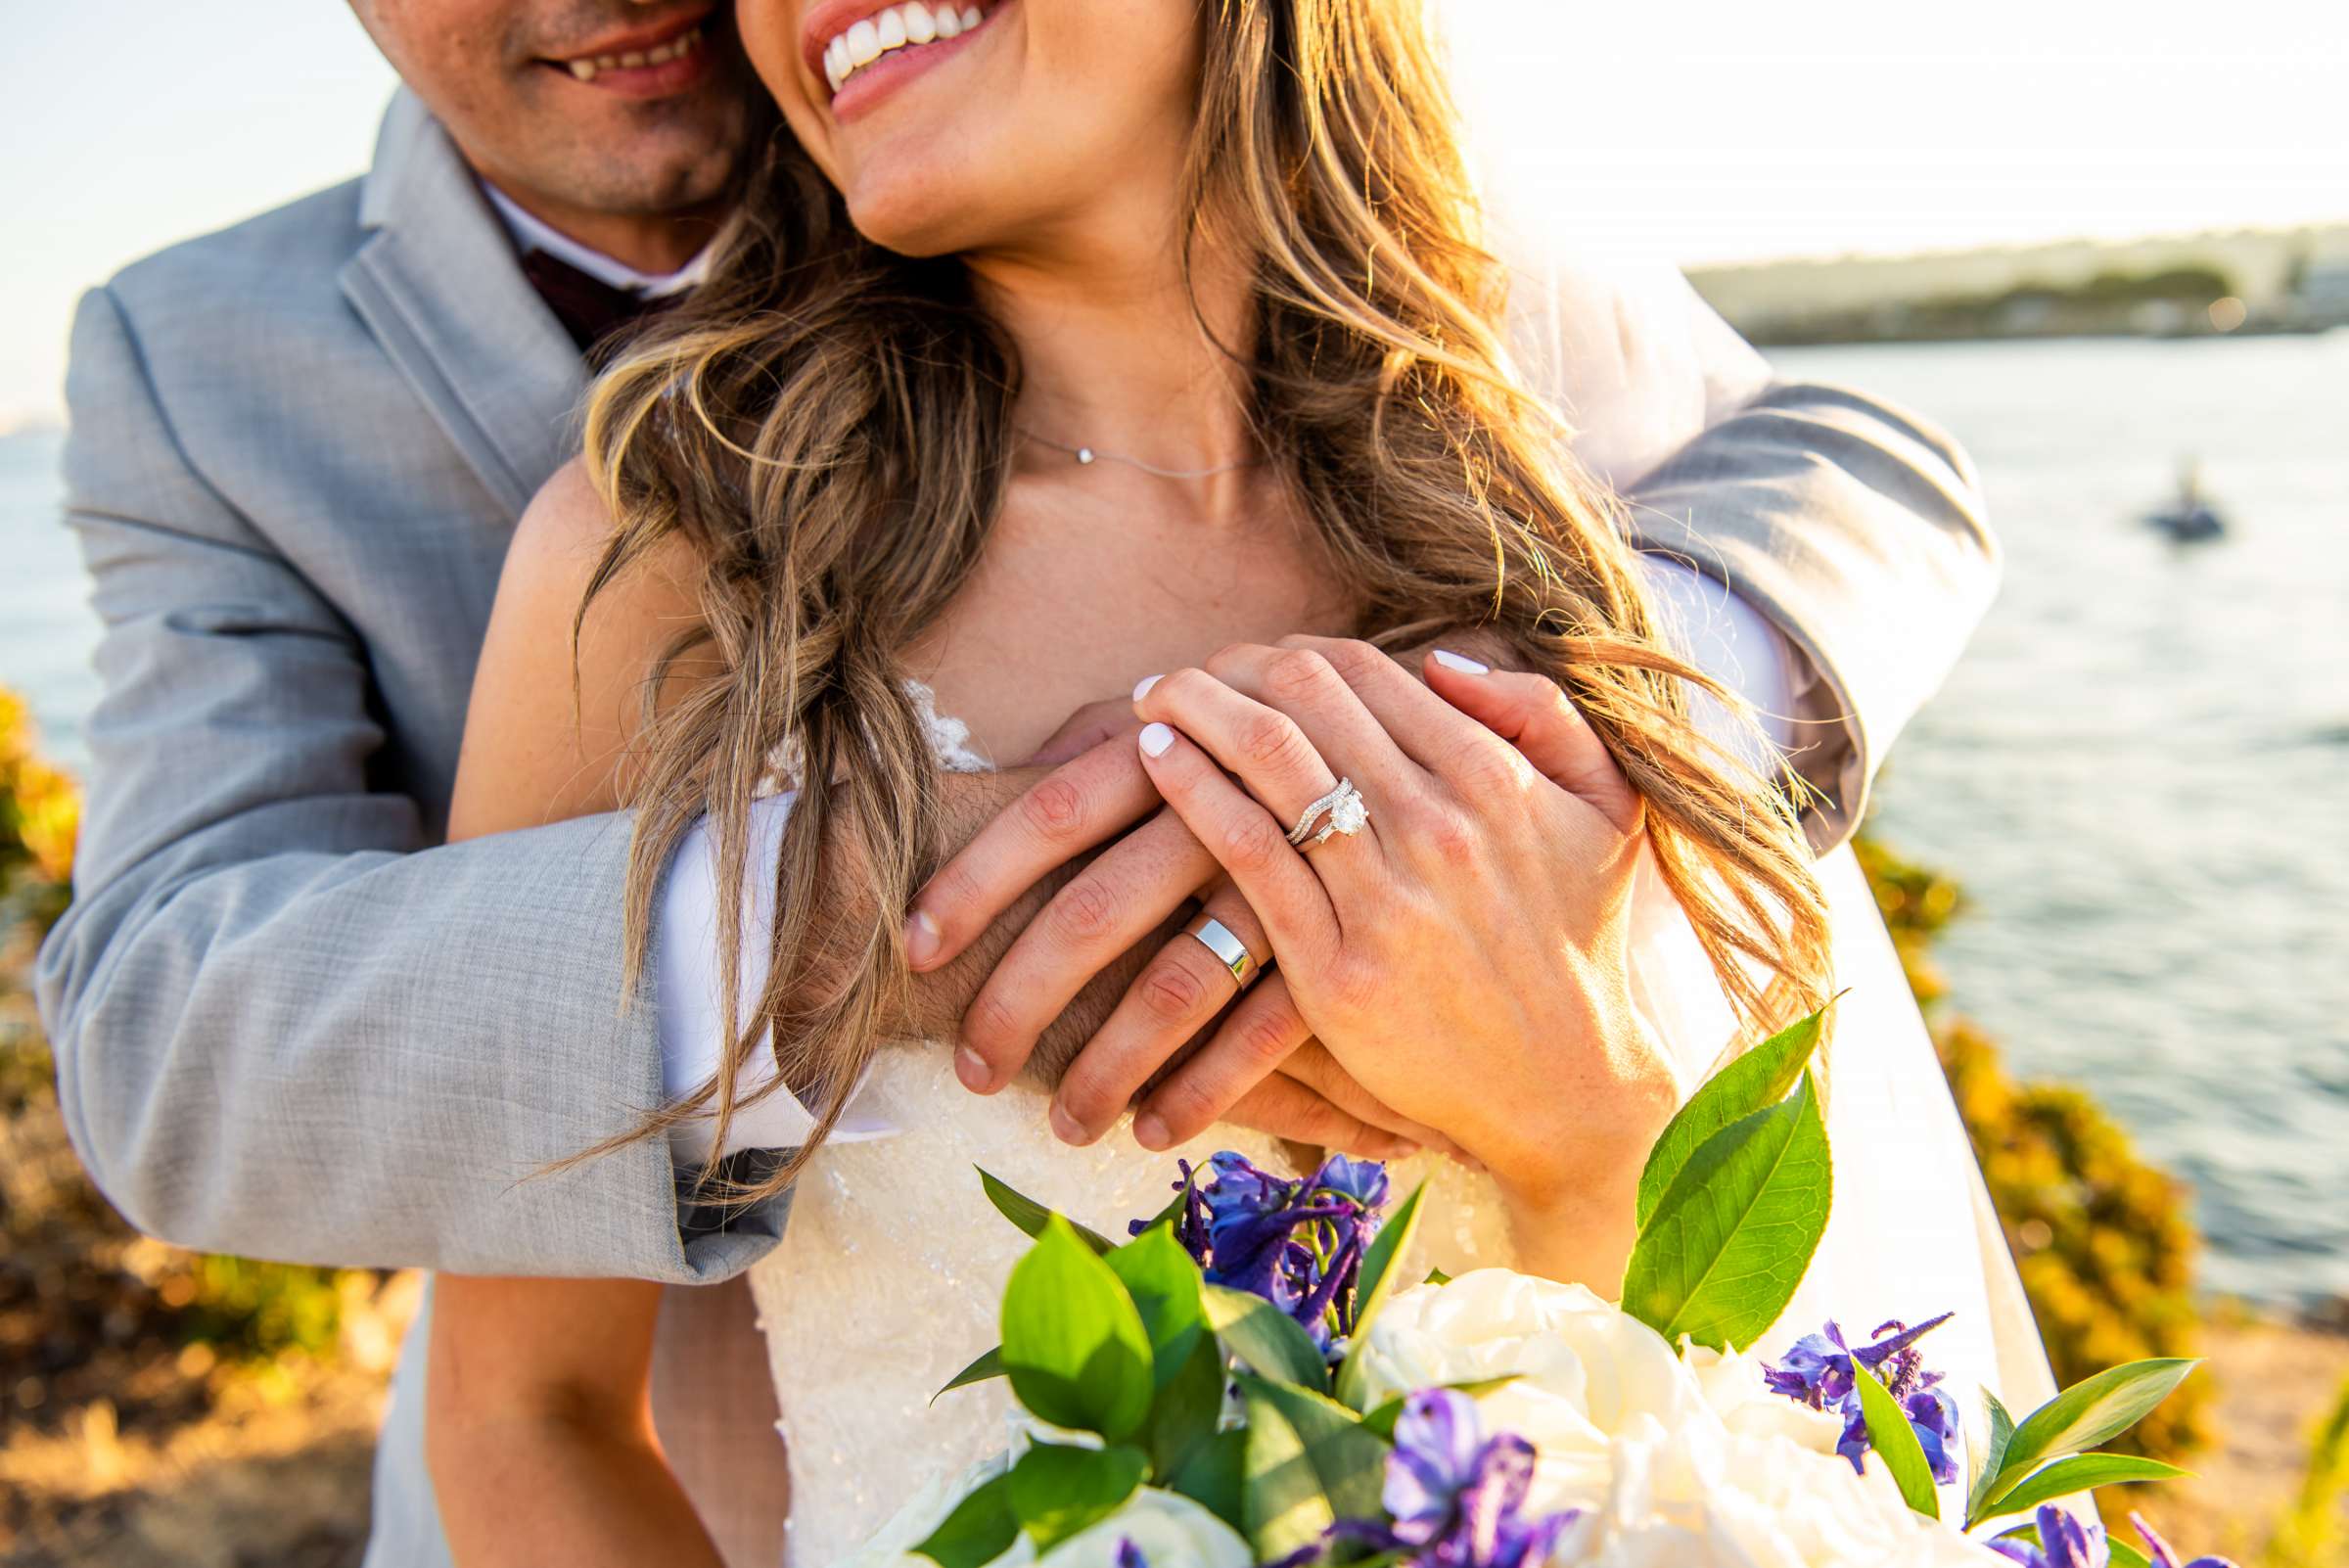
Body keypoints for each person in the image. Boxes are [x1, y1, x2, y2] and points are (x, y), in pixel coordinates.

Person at [29, 3, 2023, 1565]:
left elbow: (1863, 478)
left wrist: (1518, 781)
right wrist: (910, 899)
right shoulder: (621, 541)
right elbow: (189, 1064)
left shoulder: (1516, 434)